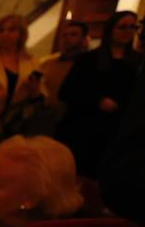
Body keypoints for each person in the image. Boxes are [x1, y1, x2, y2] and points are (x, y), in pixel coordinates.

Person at [57, 10, 144, 179]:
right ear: (111, 29)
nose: (127, 31)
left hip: (117, 132)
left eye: (132, 27)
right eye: (122, 27)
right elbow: (67, 91)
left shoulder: (138, 62)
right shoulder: (88, 60)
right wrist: (97, 101)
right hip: (84, 129)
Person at [38, 21, 90, 116]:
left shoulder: (90, 64)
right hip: (46, 115)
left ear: (83, 38)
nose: (67, 38)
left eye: (73, 34)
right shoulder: (47, 62)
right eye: (65, 35)